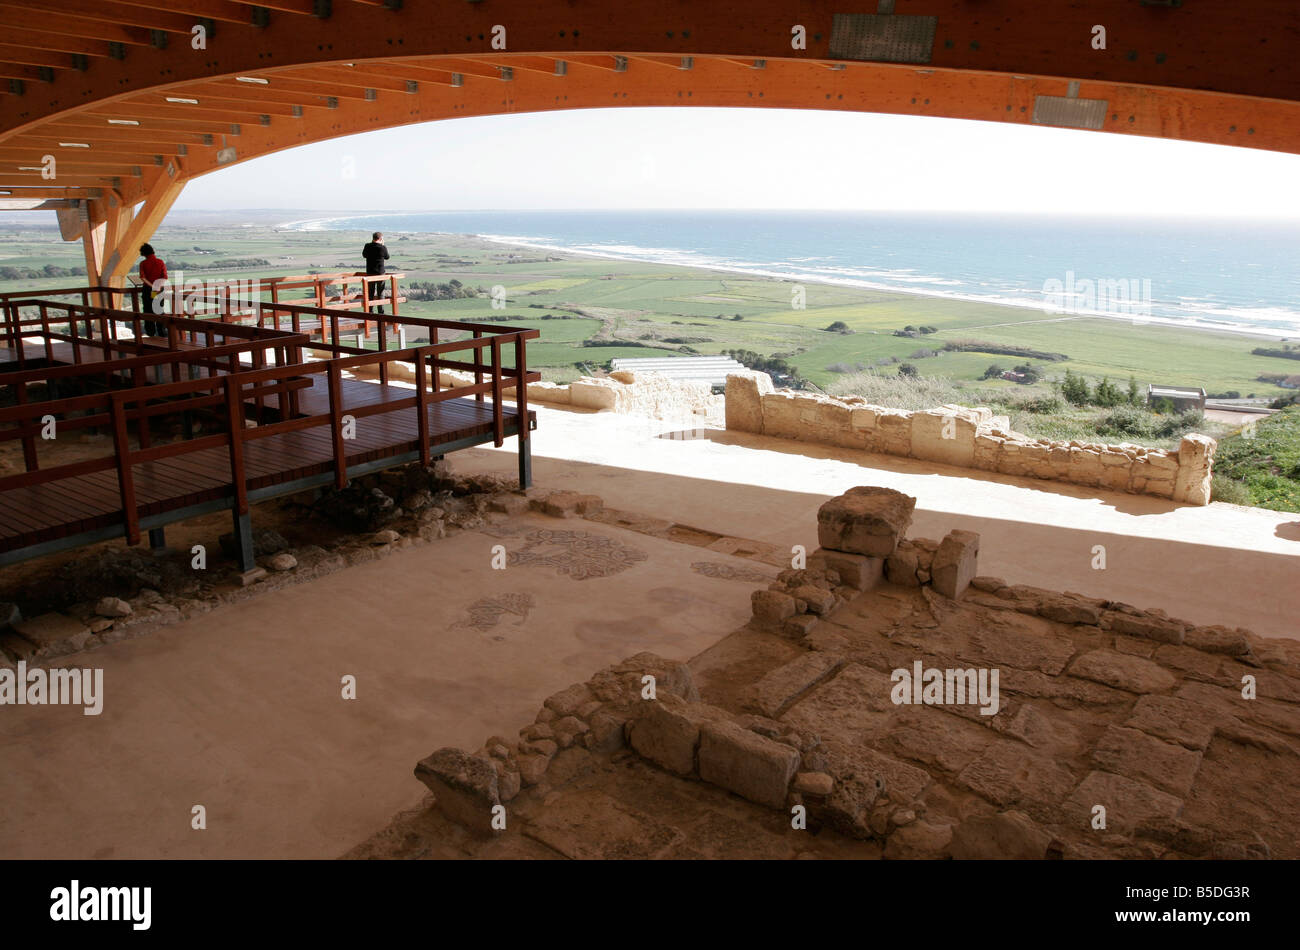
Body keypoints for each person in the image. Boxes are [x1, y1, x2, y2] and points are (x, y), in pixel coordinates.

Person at [138, 243, 168, 337]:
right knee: (158, 310)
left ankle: (151, 335)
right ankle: (162, 334)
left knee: (148, 311)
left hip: (148, 290)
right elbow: (164, 277)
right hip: (159, 290)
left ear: (143, 253)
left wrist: (152, 286)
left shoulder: (143, 263)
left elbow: (143, 277)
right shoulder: (160, 262)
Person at [361, 231, 389, 316]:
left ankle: (370, 311)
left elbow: (364, 255)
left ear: (373, 238)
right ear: (380, 239)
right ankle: (381, 312)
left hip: (370, 273)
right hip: (380, 273)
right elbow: (387, 257)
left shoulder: (367, 246)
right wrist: (382, 245)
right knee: (380, 293)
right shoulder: (382, 247)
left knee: (370, 292)